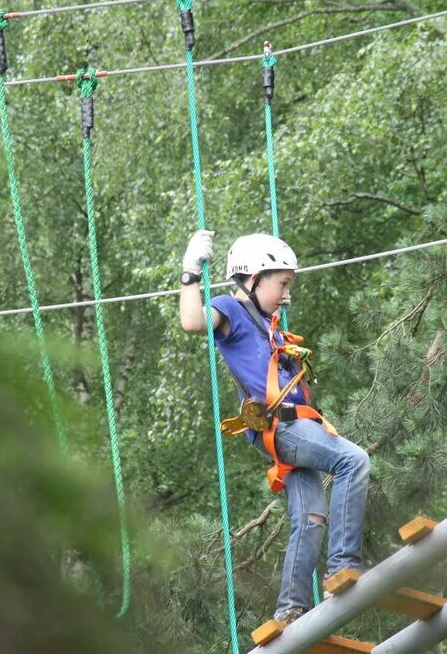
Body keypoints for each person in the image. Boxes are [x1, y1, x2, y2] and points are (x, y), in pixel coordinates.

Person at [178, 230, 370, 624]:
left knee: (311, 516)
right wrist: (190, 270)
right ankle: (342, 565)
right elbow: (192, 322)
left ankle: (291, 608)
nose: (286, 294)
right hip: (281, 429)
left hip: (293, 426)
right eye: (282, 283)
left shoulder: (272, 327)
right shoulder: (231, 311)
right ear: (253, 278)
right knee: (354, 461)